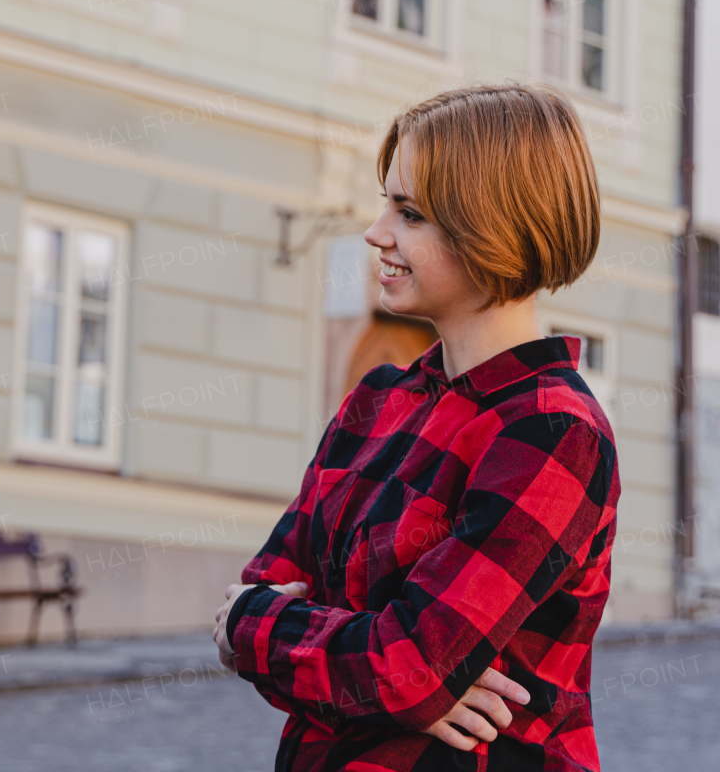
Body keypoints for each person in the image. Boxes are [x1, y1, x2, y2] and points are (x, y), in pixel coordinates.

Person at [214, 84, 619, 771]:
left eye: (410, 212)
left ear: (494, 224)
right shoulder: (374, 402)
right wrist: (390, 672)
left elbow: (406, 664)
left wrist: (389, 669)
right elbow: (254, 597)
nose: (377, 232)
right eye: (385, 204)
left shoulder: (553, 431)